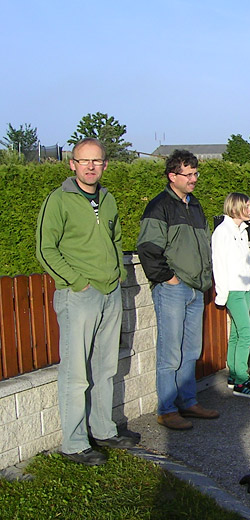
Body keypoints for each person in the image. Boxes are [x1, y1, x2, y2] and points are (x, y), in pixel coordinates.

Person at [35, 138, 138, 465]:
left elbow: (115, 238)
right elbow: (45, 249)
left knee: (105, 367)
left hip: (109, 292)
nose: (91, 166)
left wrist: (119, 272)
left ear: (105, 165)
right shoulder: (59, 200)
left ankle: (103, 429)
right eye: (84, 161)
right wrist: (76, 282)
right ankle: (75, 443)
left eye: (97, 161)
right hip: (79, 295)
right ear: (72, 164)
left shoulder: (107, 199)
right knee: (76, 372)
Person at [137, 149, 219, 430]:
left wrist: (205, 280)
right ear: (173, 176)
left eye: (196, 173)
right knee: (170, 353)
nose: (194, 178)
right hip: (173, 289)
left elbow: (203, 246)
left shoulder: (194, 205)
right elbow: (148, 248)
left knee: (191, 351)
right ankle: (167, 409)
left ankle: (188, 402)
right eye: (189, 174)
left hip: (196, 290)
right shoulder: (159, 207)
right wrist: (169, 279)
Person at [211, 193, 250, 398]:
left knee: (236, 333)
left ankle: (234, 376)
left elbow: (245, 262)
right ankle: (242, 381)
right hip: (232, 290)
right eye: (248, 206)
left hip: (244, 288)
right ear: (237, 208)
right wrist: (222, 294)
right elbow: (219, 264)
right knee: (246, 333)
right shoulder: (222, 232)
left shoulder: (242, 230)